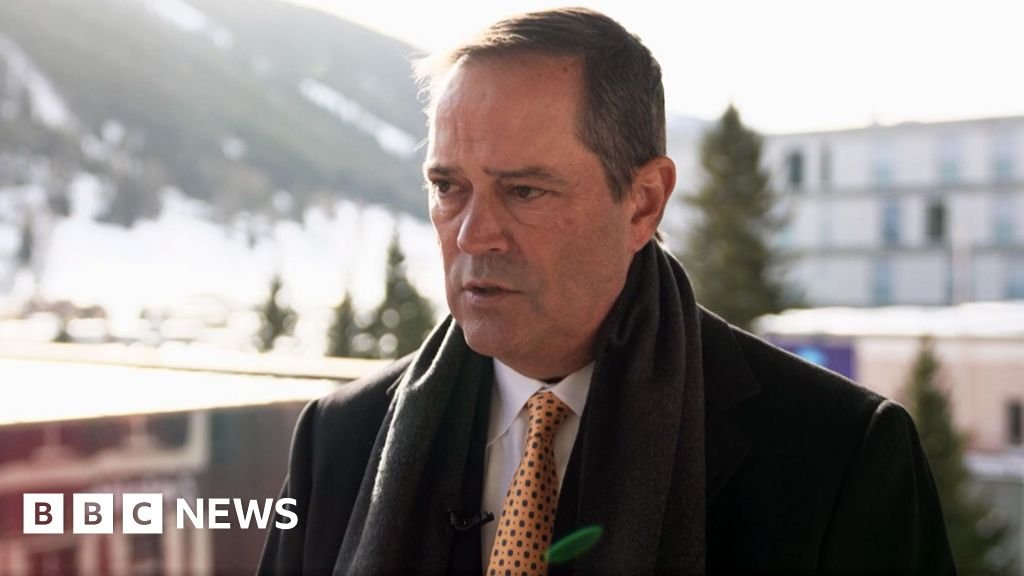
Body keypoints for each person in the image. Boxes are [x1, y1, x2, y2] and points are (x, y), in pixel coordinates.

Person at [259, 8, 955, 575]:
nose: (473, 234)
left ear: (644, 201)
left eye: (524, 191)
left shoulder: (841, 456)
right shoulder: (339, 440)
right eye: (448, 187)